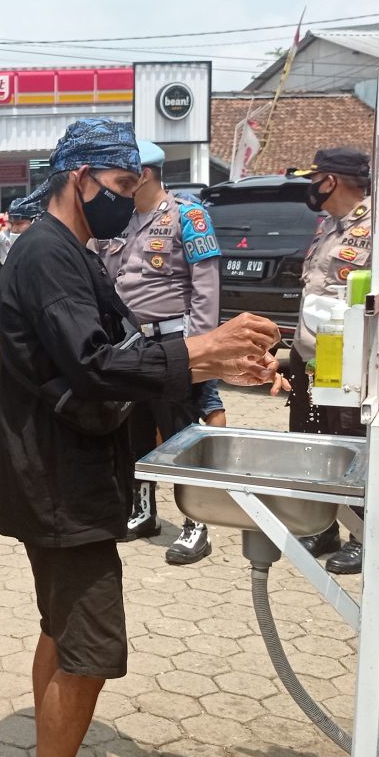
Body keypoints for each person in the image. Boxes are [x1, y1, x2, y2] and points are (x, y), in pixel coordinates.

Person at [0, 118, 286, 757]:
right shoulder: (47, 255)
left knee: (62, 630)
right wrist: (200, 351)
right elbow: (95, 365)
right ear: (81, 178)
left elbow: (122, 351)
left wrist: (209, 365)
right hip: (59, 482)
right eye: (121, 184)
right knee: (92, 648)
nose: (128, 198)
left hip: (70, 473)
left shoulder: (74, 251)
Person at [100, 140, 222, 564]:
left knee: (181, 434)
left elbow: (206, 290)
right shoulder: (123, 222)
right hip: (132, 344)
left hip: (175, 343)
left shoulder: (188, 216)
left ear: (144, 175)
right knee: (137, 432)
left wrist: (202, 351)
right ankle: (144, 511)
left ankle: (196, 522)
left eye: (121, 178)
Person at [285, 148, 373, 575]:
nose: (311, 187)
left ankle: (362, 535)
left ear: (330, 181)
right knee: (313, 443)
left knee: (351, 447)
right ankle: (324, 525)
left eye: (314, 178)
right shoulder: (331, 227)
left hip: (352, 364)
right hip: (314, 358)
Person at [0, 198, 42, 264]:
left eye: (19, 223)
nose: (15, 227)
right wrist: (0, 222)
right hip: (8, 269)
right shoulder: (5, 235)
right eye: (11, 222)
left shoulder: (39, 236)